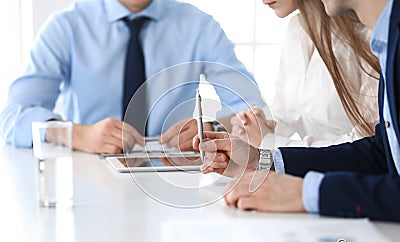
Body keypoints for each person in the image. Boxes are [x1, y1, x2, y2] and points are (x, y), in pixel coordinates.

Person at [194, 0, 400, 222]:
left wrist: (305, 191)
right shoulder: (300, 29)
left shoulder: (375, 37)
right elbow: (382, 152)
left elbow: (379, 155)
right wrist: (263, 157)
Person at [0, 0, 265, 154]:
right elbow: (14, 117)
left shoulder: (199, 26)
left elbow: (254, 111)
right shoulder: (66, 27)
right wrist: (78, 135)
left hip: (175, 183)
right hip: (87, 182)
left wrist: (212, 128)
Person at [230, 0, 380, 149]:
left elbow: (370, 144)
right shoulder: (297, 27)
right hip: (305, 170)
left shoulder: (369, 34)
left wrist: (269, 144)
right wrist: (256, 126)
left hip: (350, 171)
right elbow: (286, 114)